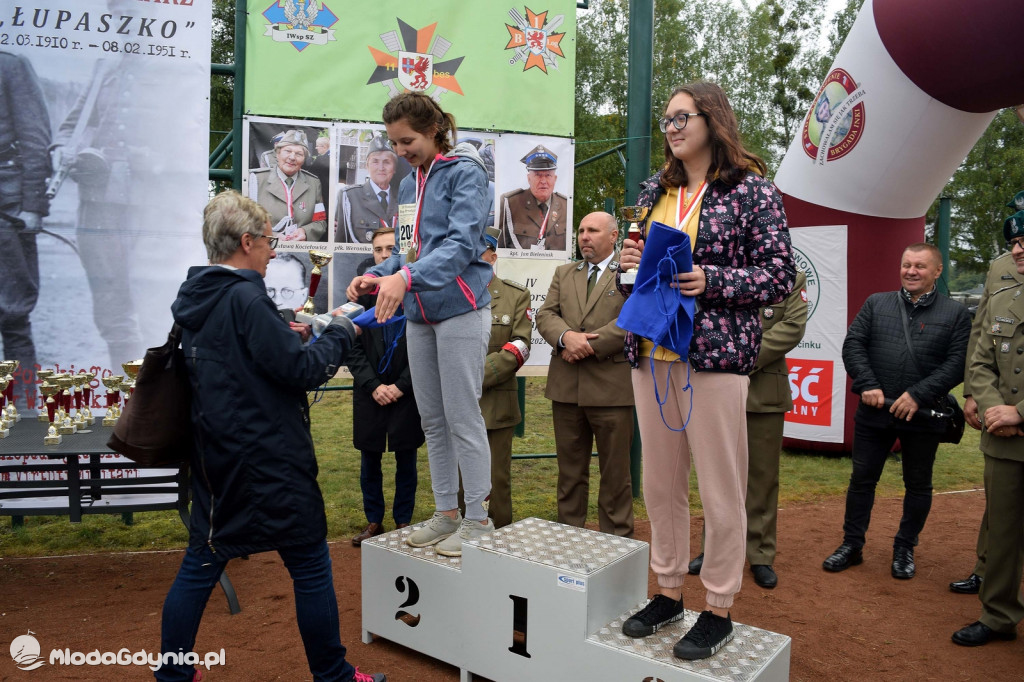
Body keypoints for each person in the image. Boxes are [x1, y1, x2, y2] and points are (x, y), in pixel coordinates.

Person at [159, 190, 384, 682]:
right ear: (245, 242)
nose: (271, 251)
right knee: (310, 565)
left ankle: (173, 675)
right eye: (267, 242)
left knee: (201, 562)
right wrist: (340, 332)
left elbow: (245, 359)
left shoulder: (199, 295)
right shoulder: (245, 295)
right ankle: (335, 675)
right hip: (268, 458)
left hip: (218, 456)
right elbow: (301, 371)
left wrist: (286, 336)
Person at [616, 81, 795, 661]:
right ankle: (668, 591)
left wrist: (712, 280)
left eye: (680, 117)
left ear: (712, 119)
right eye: (665, 119)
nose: (670, 128)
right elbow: (642, 261)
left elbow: (779, 275)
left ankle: (718, 606)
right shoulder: (653, 190)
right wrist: (628, 262)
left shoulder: (751, 192)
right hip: (652, 353)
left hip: (714, 358)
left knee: (720, 491)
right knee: (660, 486)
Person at [346, 91, 494, 558]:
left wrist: (405, 276)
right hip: (421, 315)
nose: (401, 151)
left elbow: (461, 245)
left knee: (462, 416)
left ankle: (478, 520)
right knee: (432, 419)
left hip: (461, 309)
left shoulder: (467, 172)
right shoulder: (410, 184)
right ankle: (447, 513)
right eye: (394, 143)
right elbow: (413, 251)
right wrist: (378, 275)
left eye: (407, 140)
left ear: (433, 130)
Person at [823, 243, 970, 580]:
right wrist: (868, 383)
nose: (911, 271)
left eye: (920, 266)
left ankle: (904, 547)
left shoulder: (956, 313)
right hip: (875, 411)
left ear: (937, 271)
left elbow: (957, 363)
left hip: (923, 415)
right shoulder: (877, 303)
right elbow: (854, 344)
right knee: (862, 480)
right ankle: (852, 544)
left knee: (918, 484)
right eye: (906, 264)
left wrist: (918, 395)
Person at [689, 273, 809, 589]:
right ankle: (713, 548)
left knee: (762, 477)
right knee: (717, 475)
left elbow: (792, 328)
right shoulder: (716, 273)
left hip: (763, 390)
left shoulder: (790, 279)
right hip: (716, 386)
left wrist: (738, 356)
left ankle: (759, 554)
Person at [535, 211, 634, 537]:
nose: (584, 236)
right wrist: (566, 338)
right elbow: (546, 313)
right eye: (580, 230)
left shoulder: (630, 272)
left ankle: (616, 542)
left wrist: (589, 344)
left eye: (592, 230)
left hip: (612, 389)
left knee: (615, 473)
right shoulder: (565, 273)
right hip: (567, 388)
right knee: (570, 472)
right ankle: (570, 538)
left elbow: (634, 318)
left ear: (613, 235)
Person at [951, 215, 1024, 647]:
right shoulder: (1001, 296)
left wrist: (1021, 413)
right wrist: (995, 407)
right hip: (1004, 441)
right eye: (1015, 241)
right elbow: (979, 360)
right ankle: (998, 615)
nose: (1018, 249)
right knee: (1003, 531)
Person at [348, 227, 423, 546]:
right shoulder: (360, 297)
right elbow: (350, 346)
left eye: (390, 249)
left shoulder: (417, 293)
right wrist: (374, 385)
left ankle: (404, 519)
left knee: (407, 459)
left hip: (407, 394)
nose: (384, 255)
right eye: (378, 250)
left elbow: (424, 345)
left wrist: (402, 385)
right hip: (371, 395)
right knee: (370, 460)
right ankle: (374, 520)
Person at [0, 51, 50, 414]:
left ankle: (28, 417)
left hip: (6, 206)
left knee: (13, 314)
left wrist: (32, 205)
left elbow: (34, 139)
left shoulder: (9, 66)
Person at [478, 226, 532, 527]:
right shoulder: (450, 293)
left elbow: (520, 347)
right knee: (458, 483)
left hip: (496, 404)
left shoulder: (515, 296)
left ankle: (498, 544)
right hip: (458, 404)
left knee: (496, 483)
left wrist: (472, 375)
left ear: (492, 256)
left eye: (479, 250)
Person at [248, 129, 326, 242]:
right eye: (287, 151)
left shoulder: (314, 183)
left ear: (304, 159)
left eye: (299, 154)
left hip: (301, 252)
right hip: (265, 250)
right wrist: (272, 235)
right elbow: (246, 222)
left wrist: (305, 232)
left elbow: (320, 222)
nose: (292, 157)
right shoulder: (256, 180)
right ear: (277, 154)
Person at [496, 145, 568, 251]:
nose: (543, 181)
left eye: (548, 175)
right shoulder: (510, 203)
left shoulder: (566, 205)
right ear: (529, 178)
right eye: (538, 175)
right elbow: (500, 247)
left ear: (555, 179)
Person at [336, 135, 399, 244]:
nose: (381, 167)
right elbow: (340, 243)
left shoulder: (404, 197)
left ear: (394, 169)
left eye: (386, 162)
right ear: (367, 166)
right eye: (375, 161)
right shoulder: (349, 197)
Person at [306, 133, 331, 202]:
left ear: (324, 147)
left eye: (317, 146)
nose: (316, 148)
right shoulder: (333, 158)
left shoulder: (320, 159)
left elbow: (310, 174)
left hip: (322, 191)